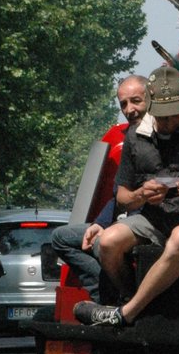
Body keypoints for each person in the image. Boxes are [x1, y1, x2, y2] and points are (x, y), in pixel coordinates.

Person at [74, 65, 179, 327]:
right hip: (153, 219)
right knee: (107, 241)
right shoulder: (136, 137)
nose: (168, 123)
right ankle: (131, 296)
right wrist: (141, 195)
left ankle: (127, 313)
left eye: (174, 116)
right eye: (162, 118)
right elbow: (123, 196)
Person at [50, 75, 149, 301]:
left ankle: (127, 299)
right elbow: (118, 195)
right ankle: (106, 295)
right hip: (122, 220)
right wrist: (100, 223)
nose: (129, 109)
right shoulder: (128, 139)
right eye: (124, 104)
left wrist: (115, 228)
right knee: (62, 237)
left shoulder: (161, 138)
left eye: (136, 101)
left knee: (104, 244)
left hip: (147, 223)